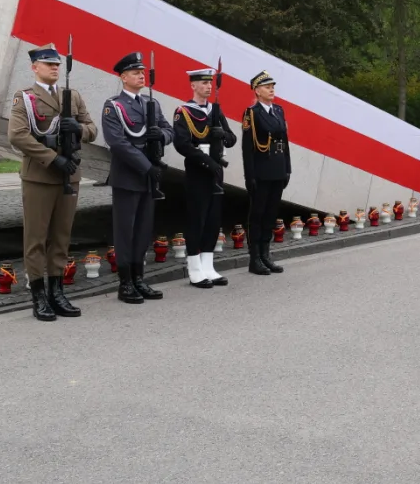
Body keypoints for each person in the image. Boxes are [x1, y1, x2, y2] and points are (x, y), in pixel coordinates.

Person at [7, 43, 98, 322]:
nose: (55, 67)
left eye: (57, 64)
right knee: (36, 239)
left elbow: (93, 130)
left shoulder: (73, 96)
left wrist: (79, 130)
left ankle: (57, 293)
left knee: (61, 237)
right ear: (35, 67)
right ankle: (39, 296)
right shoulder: (25, 98)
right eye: (48, 64)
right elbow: (18, 136)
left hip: (69, 176)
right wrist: (53, 159)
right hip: (40, 176)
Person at [100, 51, 172, 304]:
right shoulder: (114, 105)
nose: (141, 76)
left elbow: (168, 129)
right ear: (123, 77)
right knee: (125, 231)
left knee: (143, 231)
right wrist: (145, 166)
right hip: (128, 176)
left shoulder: (151, 104)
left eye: (142, 72)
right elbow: (117, 142)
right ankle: (125, 282)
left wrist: (160, 137)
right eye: (134, 72)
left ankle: (139, 278)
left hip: (148, 177)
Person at [173, 67, 237, 287]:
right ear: (193, 85)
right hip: (198, 170)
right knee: (197, 218)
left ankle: (208, 265)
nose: (208, 87)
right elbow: (182, 143)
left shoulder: (215, 111)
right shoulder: (183, 111)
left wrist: (223, 135)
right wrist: (206, 161)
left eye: (210, 83)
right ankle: (194, 268)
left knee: (212, 219)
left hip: (216, 170)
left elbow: (232, 138)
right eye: (203, 83)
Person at [241, 70, 291, 277]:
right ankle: (255, 259)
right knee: (258, 215)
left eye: (272, 86)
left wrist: (287, 168)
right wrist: (249, 176)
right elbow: (247, 148)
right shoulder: (252, 113)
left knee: (271, 215)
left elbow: (285, 142)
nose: (271, 89)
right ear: (257, 91)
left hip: (278, 169)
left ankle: (266, 255)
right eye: (267, 87)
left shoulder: (278, 110)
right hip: (261, 171)